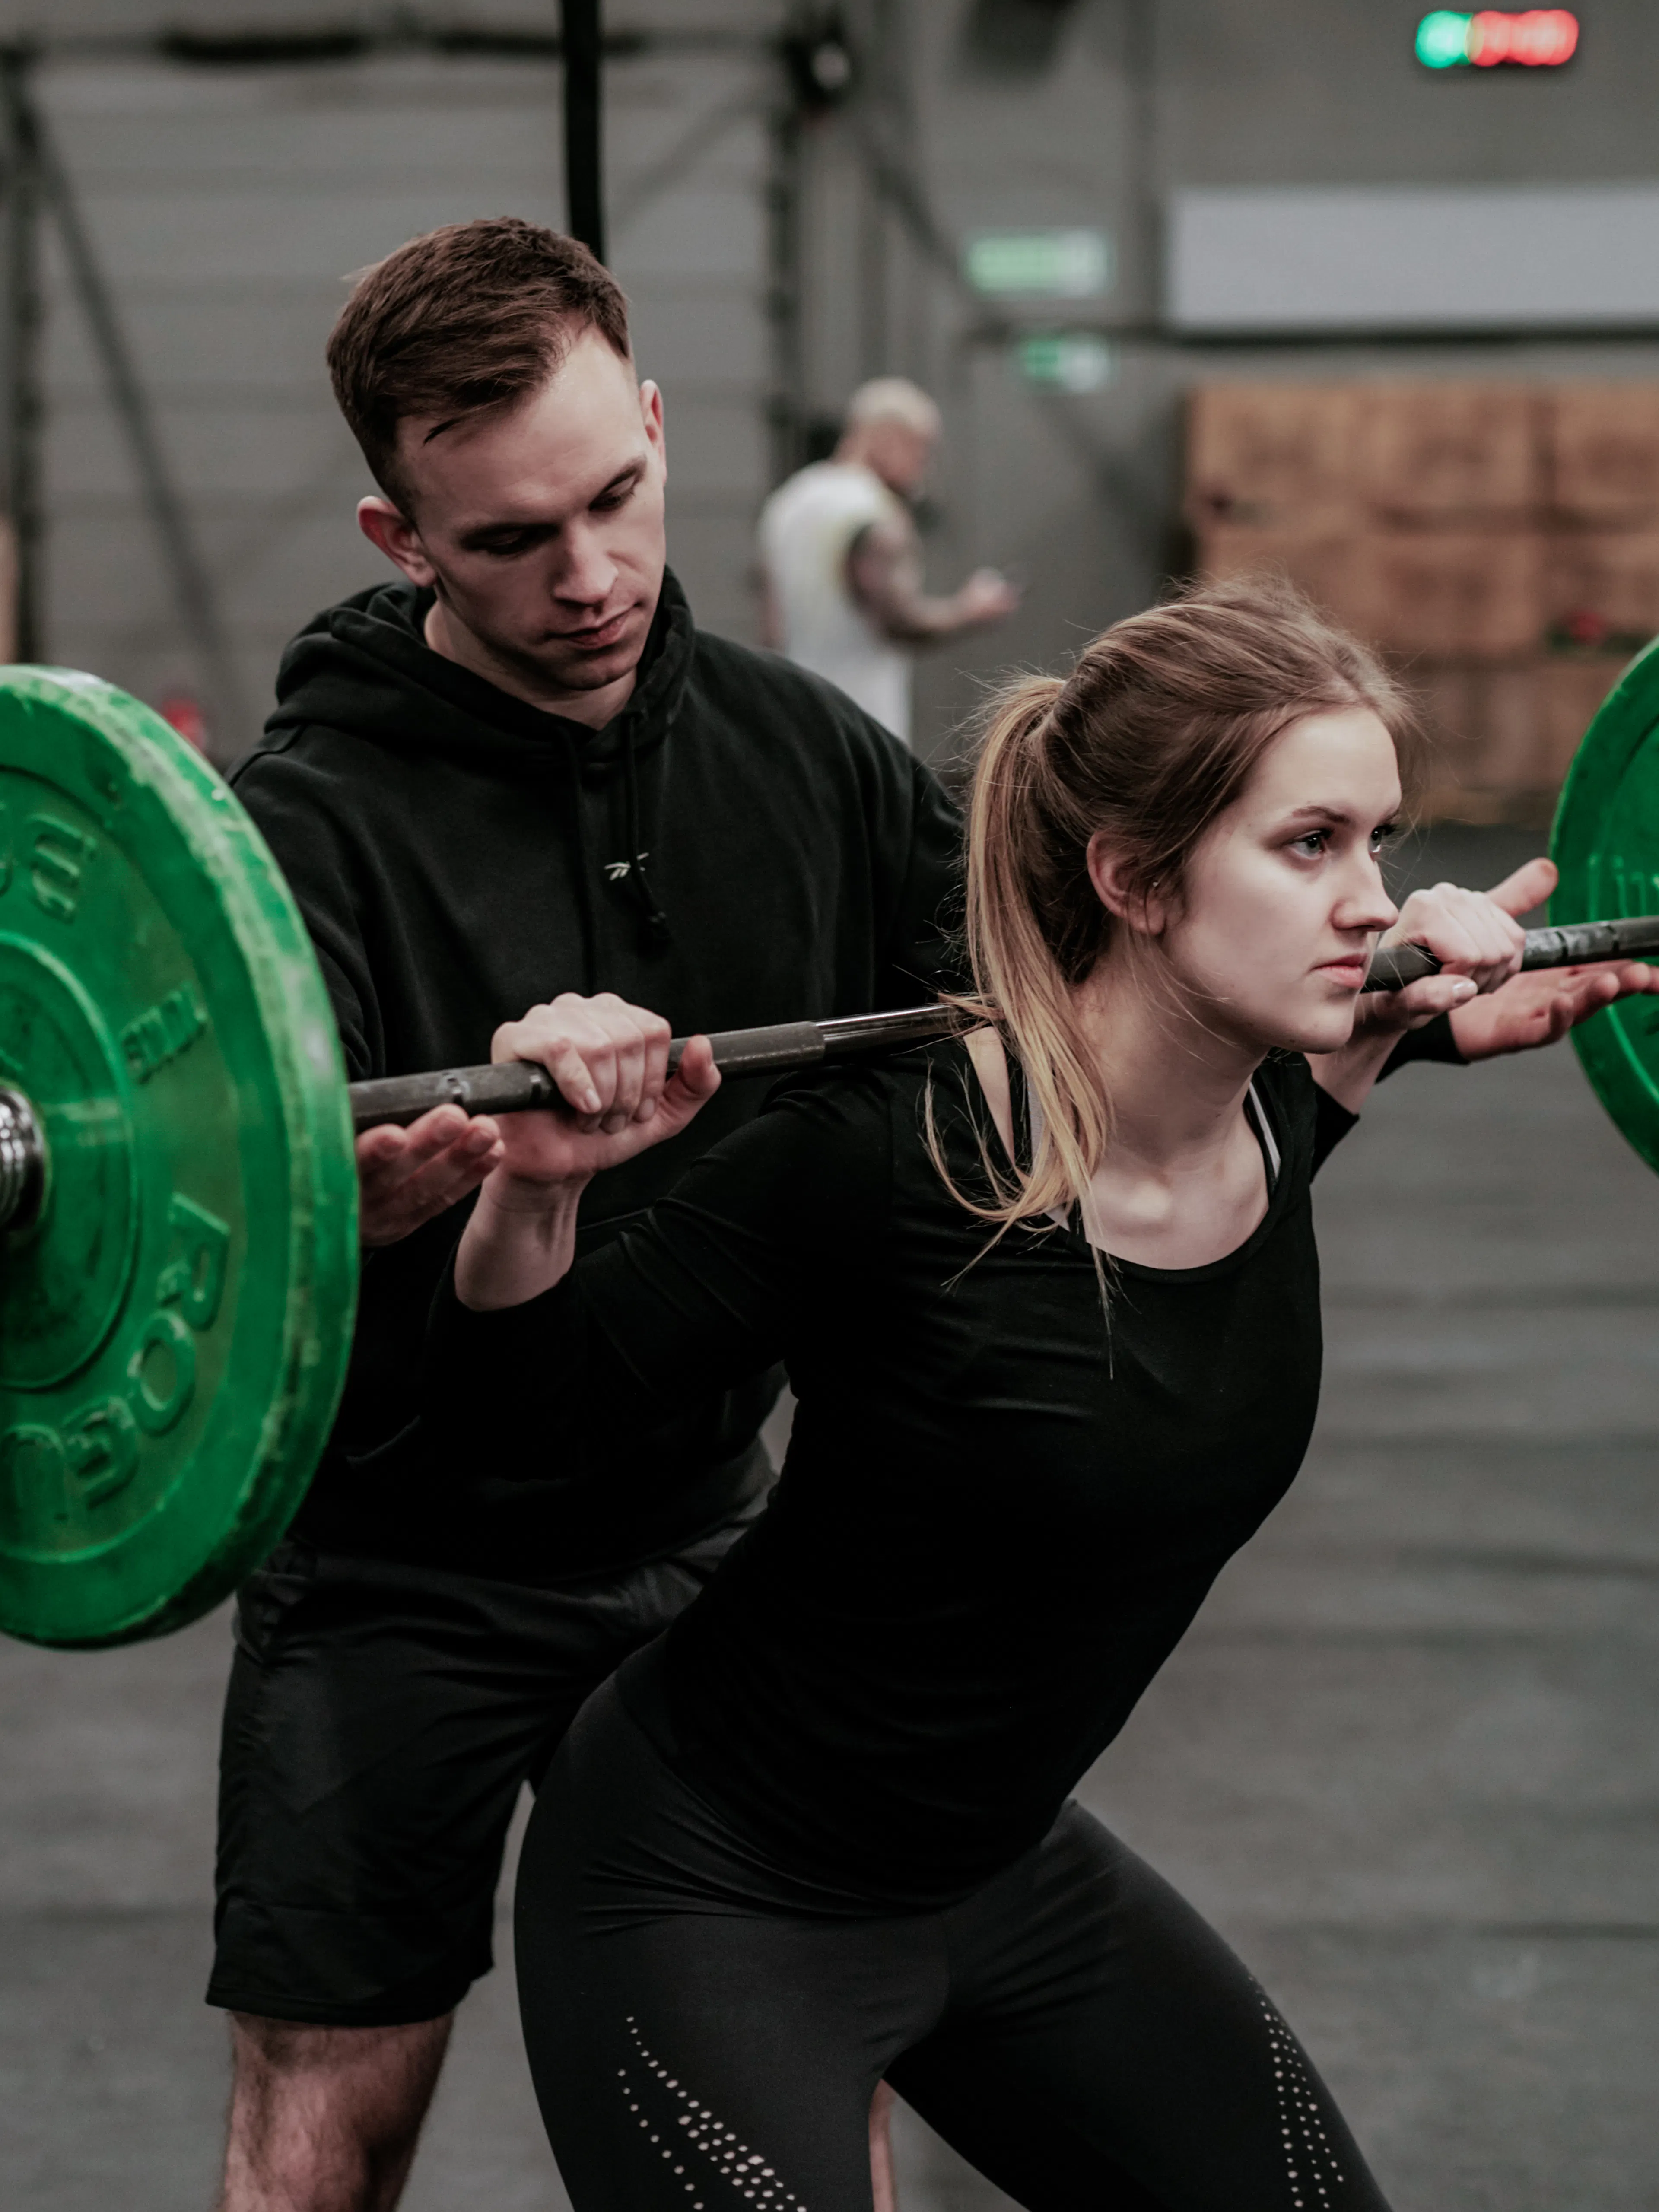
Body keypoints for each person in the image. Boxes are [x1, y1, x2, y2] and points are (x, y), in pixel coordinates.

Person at [423, 577, 1659, 2212]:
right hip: (711, 1889)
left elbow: (1360, 1028)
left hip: (998, 1870)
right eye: (1310, 846)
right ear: (1132, 877)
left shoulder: (1281, 1109)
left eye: (1379, 842)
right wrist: (535, 1190)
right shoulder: (888, 1151)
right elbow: (521, 1420)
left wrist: (1424, 1016)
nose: (1374, 901)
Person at [211, 218, 962, 2212]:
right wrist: (346, 1212)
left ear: (651, 414)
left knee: (796, 2095)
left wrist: (1360, 974)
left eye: (615, 497)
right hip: (401, 1565)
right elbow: (225, 1238)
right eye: (508, 542)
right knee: (326, 2117)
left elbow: (1058, 1013)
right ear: (400, 540)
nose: (592, 578)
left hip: (716, 1529)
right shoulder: (307, 829)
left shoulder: (811, 756)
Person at [757, 377, 1019, 744]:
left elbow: (772, 631)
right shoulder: (876, 514)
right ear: (887, 437)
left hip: (797, 717)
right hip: (864, 728)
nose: (922, 467)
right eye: (920, 450)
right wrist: (971, 610)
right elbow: (901, 622)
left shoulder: (788, 503)